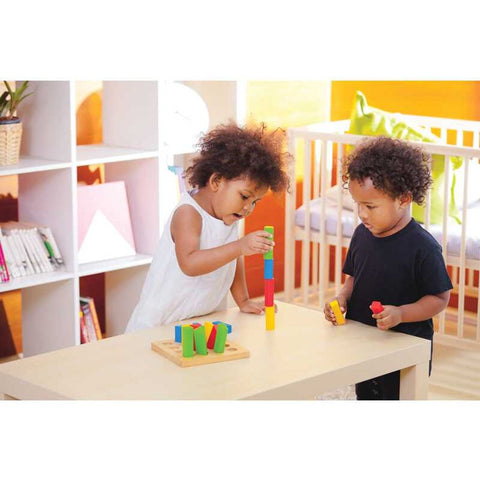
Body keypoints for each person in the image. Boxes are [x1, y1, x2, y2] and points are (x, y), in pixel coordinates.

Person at [126, 122, 289, 333]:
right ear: (216, 181)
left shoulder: (228, 216)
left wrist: (244, 300)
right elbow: (190, 263)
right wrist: (240, 246)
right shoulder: (188, 214)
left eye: (255, 202)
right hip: (158, 324)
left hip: (198, 322)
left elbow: (233, 259)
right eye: (245, 196)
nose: (248, 208)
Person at [324, 136, 453, 400]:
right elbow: (353, 278)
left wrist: (401, 314)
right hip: (366, 343)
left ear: (404, 199)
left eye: (370, 206)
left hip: (404, 347)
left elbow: (439, 298)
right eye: (358, 204)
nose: (362, 214)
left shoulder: (423, 247)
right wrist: (342, 298)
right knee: (366, 396)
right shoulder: (361, 234)